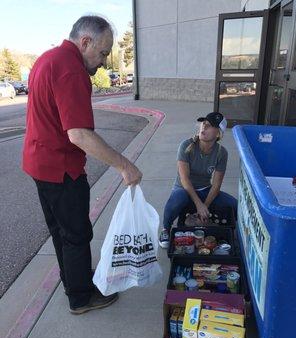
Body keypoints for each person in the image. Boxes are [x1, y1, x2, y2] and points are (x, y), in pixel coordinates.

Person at [22, 15, 142, 314]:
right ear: (85, 41)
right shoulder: (71, 69)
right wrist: (124, 165)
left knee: (62, 231)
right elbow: (79, 135)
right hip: (62, 168)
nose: (103, 62)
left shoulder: (47, 59)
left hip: (39, 163)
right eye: (102, 52)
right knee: (76, 234)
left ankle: (74, 282)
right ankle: (81, 297)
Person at [159, 111, 237, 248]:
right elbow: (184, 179)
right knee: (178, 199)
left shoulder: (221, 153)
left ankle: (235, 235)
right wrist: (199, 205)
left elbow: (216, 185)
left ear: (218, 133)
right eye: (203, 124)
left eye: (209, 126)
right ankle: (165, 229)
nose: (203, 127)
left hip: (204, 189)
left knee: (235, 205)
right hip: (183, 188)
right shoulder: (186, 146)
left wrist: (205, 205)